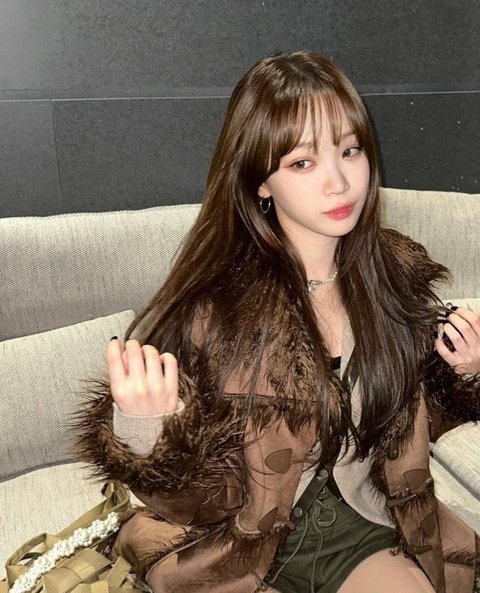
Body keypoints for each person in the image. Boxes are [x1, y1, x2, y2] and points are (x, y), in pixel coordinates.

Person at [75, 51, 480, 593]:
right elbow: (199, 504)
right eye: (302, 163)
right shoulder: (217, 313)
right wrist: (149, 431)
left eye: (350, 150)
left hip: (361, 522)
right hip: (244, 540)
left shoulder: (393, 281)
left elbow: (401, 430)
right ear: (261, 182)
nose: (339, 182)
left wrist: (463, 373)